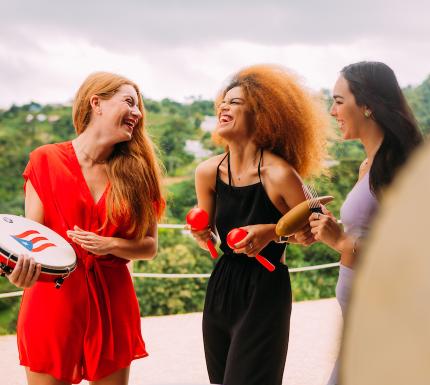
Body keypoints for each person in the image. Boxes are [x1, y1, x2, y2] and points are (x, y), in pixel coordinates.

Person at [7, 71, 165, 385]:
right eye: (129, 102)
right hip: (53, 299)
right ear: (97, 103)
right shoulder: (45, 160)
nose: (137, 112)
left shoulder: (138, 173)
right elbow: (33, 241)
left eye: (139, 107)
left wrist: (111, 245)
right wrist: (17, 270)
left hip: (112, 301)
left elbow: (149, 246)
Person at [190, 64, 328, 385]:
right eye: (224, 101)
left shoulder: (280, 174)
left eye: (235, 102)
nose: (224, 106)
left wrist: (272, 232)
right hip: (222, 283)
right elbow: (208, 237)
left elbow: (312, 233)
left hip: (265, 286)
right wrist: (201, 234)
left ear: (263, 115)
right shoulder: (207, 172)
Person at [309, 61, 423, 384]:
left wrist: (341, 242)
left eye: (339, 101)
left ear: (368, 106)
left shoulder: (400, 166)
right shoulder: (368, 167)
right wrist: (329, 233)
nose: (333, 111)